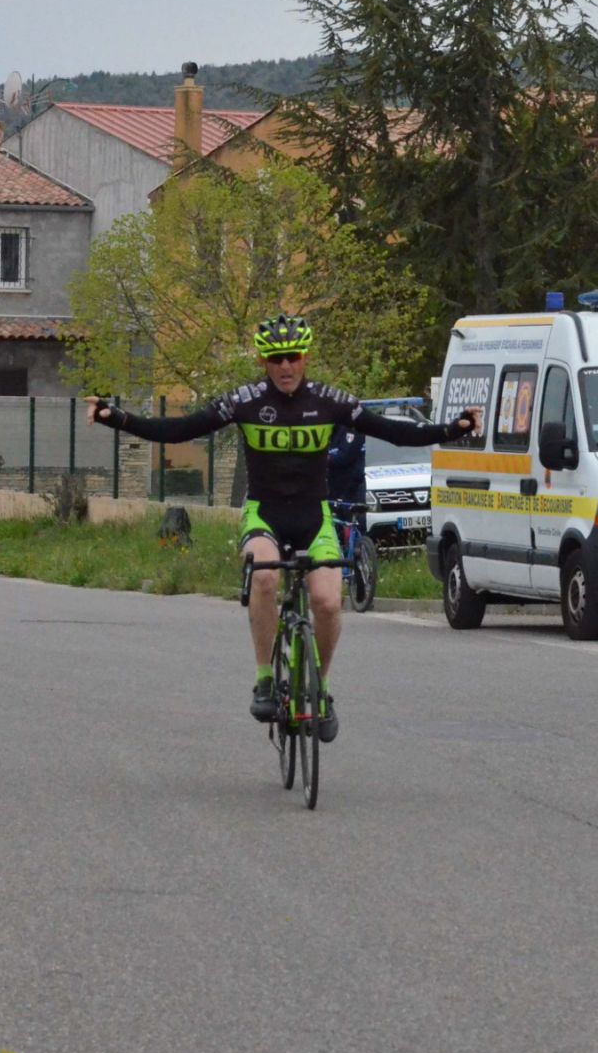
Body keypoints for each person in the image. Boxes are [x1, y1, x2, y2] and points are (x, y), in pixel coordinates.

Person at [88, 314, 479, 739]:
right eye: (276, 359)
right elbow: (180, 429)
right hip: (265, 514)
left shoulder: (330, 402)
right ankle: (265, 679)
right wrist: (117, 417)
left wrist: (452, 428)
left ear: (305, 357)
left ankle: (321, 688)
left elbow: (394, 432)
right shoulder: (245, 401)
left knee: (327, 602)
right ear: (263, 362)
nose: (286, 366)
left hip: (314, 517)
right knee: (265, 576)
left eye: (293, 356)